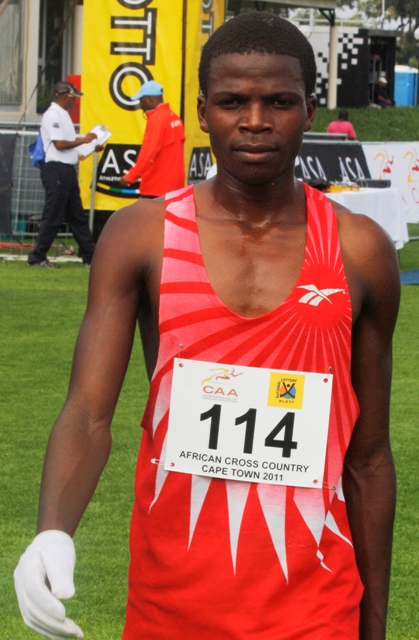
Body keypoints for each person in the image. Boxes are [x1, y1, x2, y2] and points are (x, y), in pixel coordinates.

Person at [15, 12, 399, 640]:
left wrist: (374, 625)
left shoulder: (360, 251)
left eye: (279, 101)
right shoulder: (141, 235)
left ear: (309, 110)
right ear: (202, 111)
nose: (255, 120)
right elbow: (86, 412)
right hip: (170, 606)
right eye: (232, 101)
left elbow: (369, 458)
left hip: (316, 610)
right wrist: (52, 532)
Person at [27, 81, 99, 268]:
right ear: (66, 96)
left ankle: (91, 256)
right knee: (53, 215)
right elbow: (59, 144)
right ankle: (37, 257)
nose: (75, 102)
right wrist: (84, 140)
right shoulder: (53, 115)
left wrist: (90, 146)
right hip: (56, 170)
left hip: (65, 170)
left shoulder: (62, 114)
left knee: (76, 216)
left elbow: (68, 144)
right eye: (73, 98)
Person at [118, 80, 185, 197]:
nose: (140, 105)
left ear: (150, 99)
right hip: (175, 186)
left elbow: (149, 152)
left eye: (141, 100)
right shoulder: (174, 117)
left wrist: (130, 176)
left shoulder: (157, 119)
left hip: (157, 187)